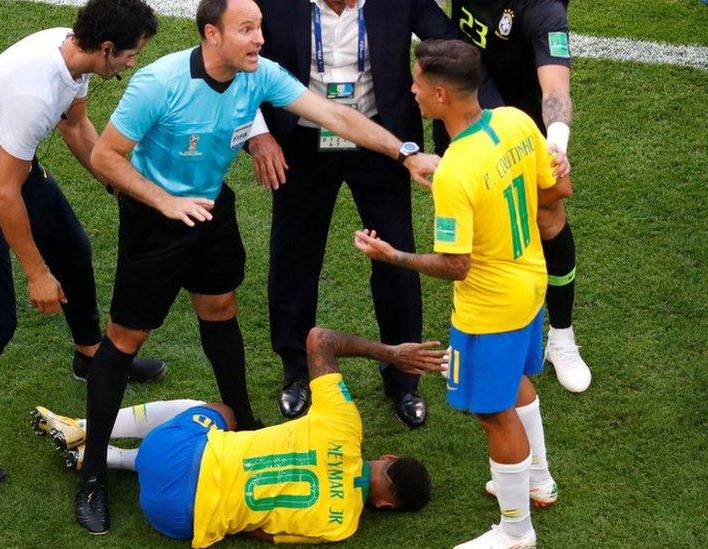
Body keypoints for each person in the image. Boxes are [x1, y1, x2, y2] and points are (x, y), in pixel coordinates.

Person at [77, 0, 440, 533]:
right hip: (156, 221)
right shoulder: (158, 82)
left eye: (260, 28)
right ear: (211, 35)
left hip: (210, 212)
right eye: (246, 30)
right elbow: (106, 156)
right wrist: (163, 202)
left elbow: (337, 115)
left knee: (221, 310)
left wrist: (406, 154)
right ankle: (92, 475)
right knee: (125, 339)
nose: (259, 39)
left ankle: (244, 422)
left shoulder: (258, 75)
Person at [0, 0, 163, 487]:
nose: (134, 63)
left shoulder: (73, 56)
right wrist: (36, 272)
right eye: (132, 54)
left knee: (73, 247)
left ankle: (90, 356)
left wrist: (118, 186)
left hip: (7, 172)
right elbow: (2, 194)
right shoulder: (34, 91)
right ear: (107, 48)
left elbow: (75, 126)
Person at [354, 39, 569, 547]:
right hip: (529, 287)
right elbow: (556, 190)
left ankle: (516, 532)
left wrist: (393, 257)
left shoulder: (456, 167)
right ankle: (537, 479)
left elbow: (456, 265)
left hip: (488, 308)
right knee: (515, 381)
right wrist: (463, 188)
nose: (412, 89)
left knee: (493, 414)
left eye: (418, 84)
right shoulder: (515, 121)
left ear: (441, 95)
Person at [245, 0, 469, 427]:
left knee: (396, 257)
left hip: (380, 138)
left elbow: (449, 47)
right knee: (294, 257)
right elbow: (239, 60)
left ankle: (404, 376)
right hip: (302, 141)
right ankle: (297, 369)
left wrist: (479, 120)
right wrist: (259, 135)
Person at [32, 327, 446, 546]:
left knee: (223, 414)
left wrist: (391, 354)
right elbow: (262, 533)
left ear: (388, 458)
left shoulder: (343, 424)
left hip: (173, 456)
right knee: (198, 473)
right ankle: (106, 459)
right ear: (386, 505)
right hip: (177, 519)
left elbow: (320, 340)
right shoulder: (340, 528)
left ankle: (87, 429)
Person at [437, 0, 591, 393]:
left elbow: (556, 88)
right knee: (475, 225)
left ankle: (561, 337)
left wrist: (555, 144)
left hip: (522, 121)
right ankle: (476, 335)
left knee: (548, 219)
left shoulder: (544, 9)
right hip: (466, 112)